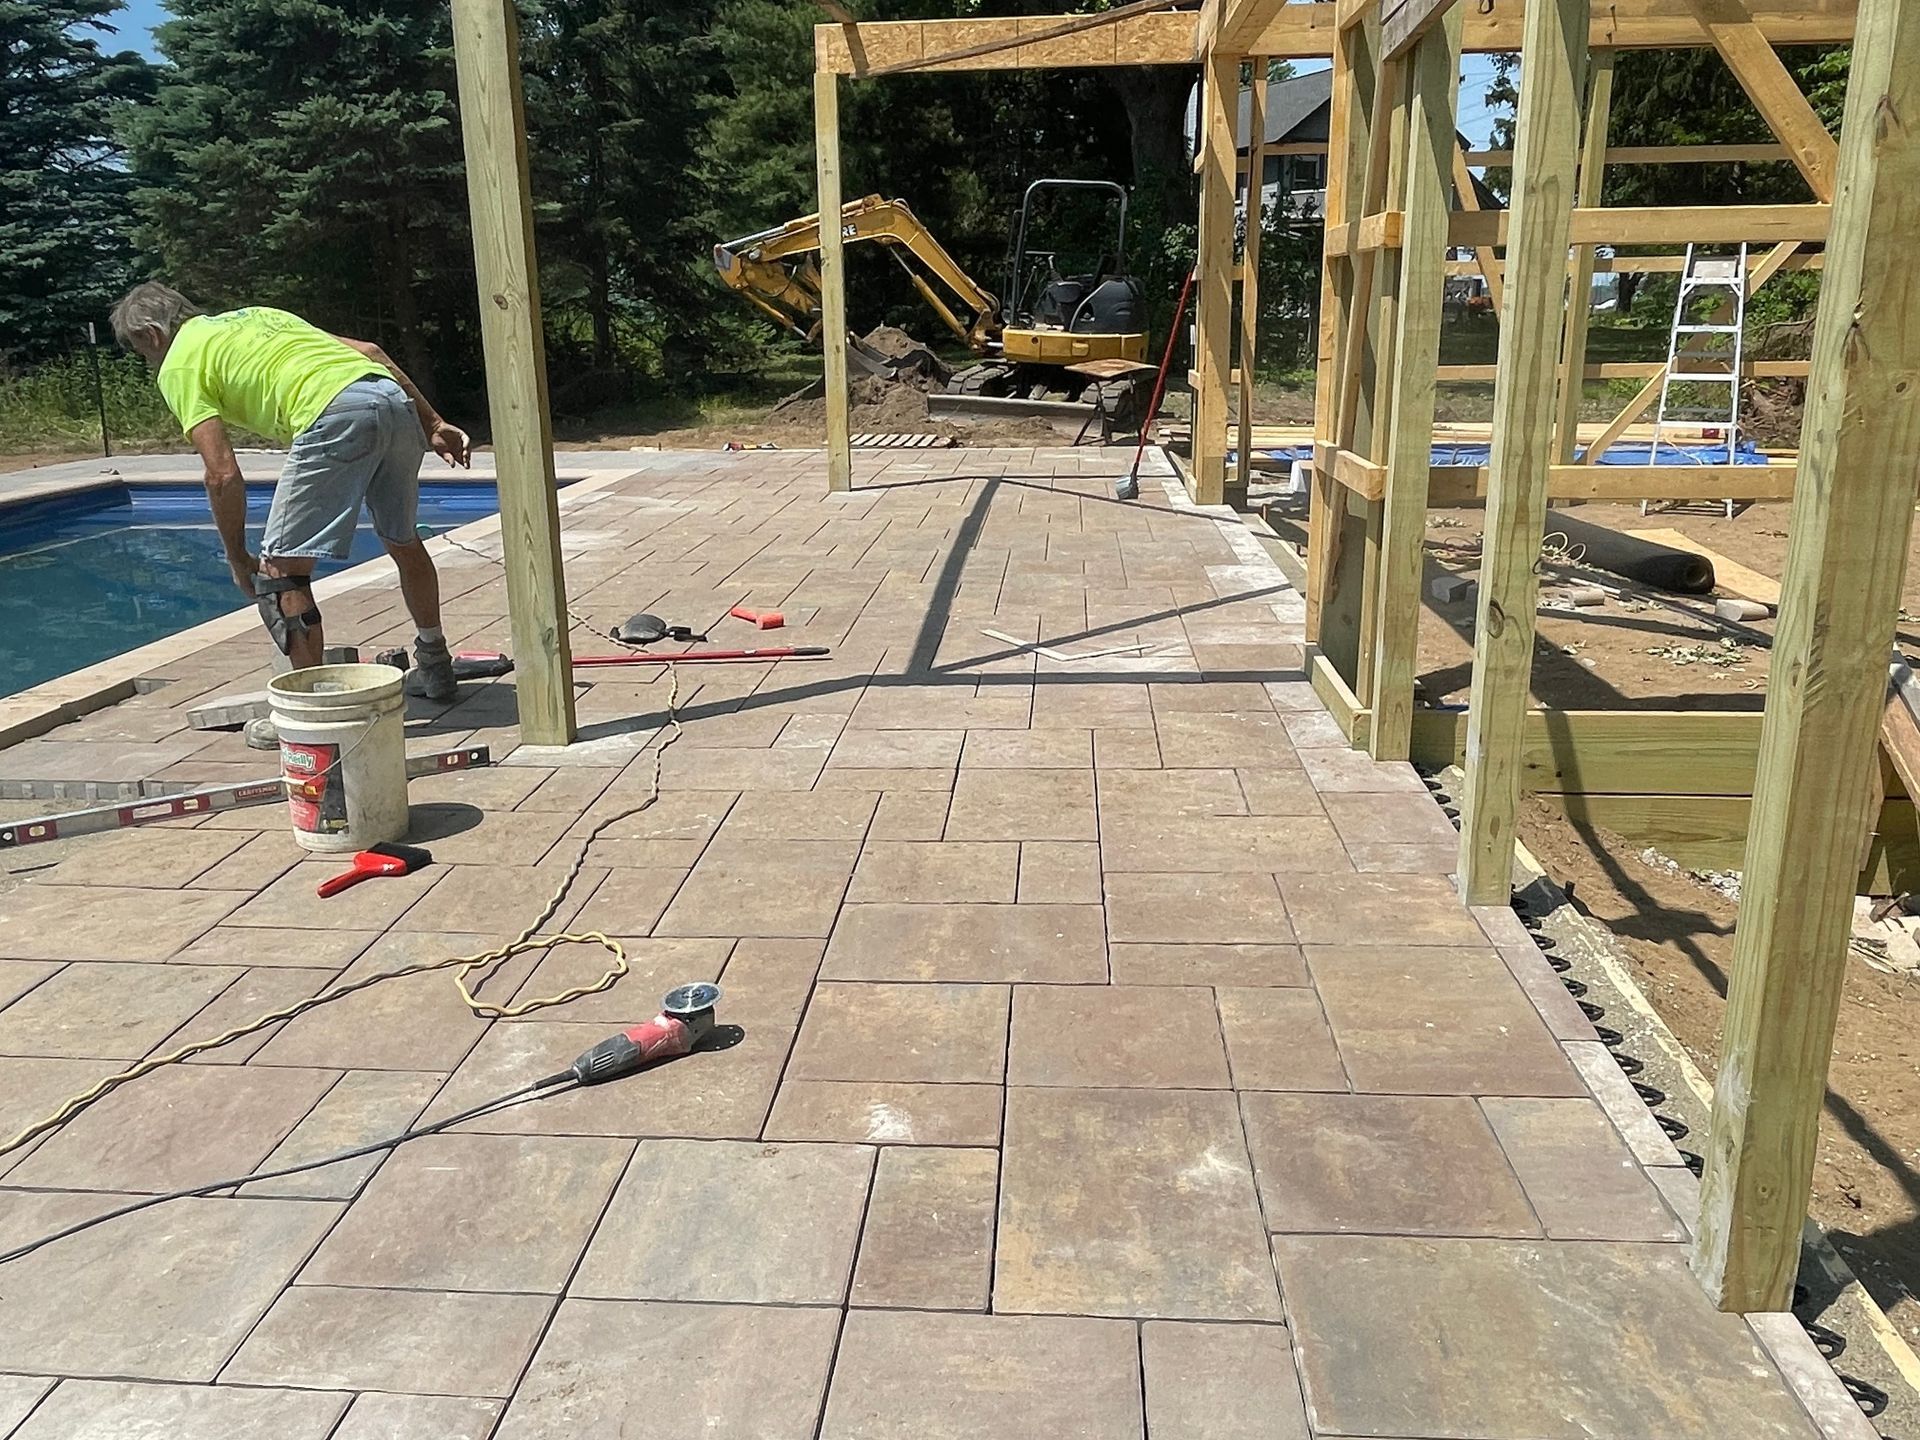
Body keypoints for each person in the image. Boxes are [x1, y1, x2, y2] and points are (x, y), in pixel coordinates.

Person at [109, 282, 470, 746]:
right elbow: (371, 351)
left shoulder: (177, 363)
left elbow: (222, 474)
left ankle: (311, 714)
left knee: (280, 572)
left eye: (140, 349)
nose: (146, 360)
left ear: (152, 335)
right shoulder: (259, 316)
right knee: (402, 540)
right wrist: (434, 424)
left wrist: (238, 557)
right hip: (389, 398)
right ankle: (436, 667)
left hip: (333, 411)